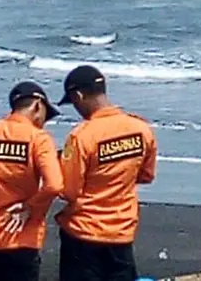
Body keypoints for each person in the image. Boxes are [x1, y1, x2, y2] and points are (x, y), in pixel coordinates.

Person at [55, 65, 157, 281]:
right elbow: (146, 175)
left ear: (78, 95)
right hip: (121, 231)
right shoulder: (141, 129)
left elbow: (69, 190)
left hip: (84, 233)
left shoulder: (81, 136)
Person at [0, 81, 64, 281]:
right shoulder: (38, 139)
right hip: (22, 239)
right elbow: (55, 184)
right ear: (37, 106)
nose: (43, 122)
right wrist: (30, 207)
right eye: (45, 116)